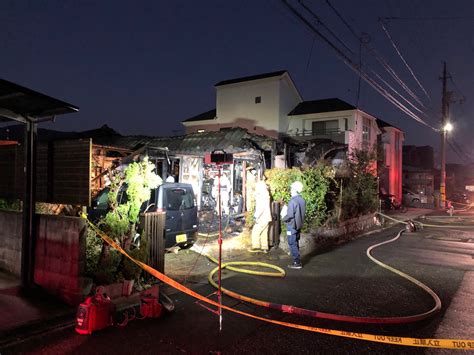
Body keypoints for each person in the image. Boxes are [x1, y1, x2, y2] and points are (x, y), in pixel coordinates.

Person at [281, 181, 306, 269]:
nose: (290, 190)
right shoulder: (302, 200)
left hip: (291, 226)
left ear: (295, 190)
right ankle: (297, 260)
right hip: (298, 225)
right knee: (296, 242)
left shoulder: (292, 201)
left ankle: (297, 262)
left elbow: (290, 215)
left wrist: (283, 218)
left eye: (291, 189)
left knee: (292, 243)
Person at [249, 177, 272, 253]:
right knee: (264, 232)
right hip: (267, 217)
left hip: (262, 218)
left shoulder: (261, 196)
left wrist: (255, 217)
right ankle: (265, 248)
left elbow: (260, 208)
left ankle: (256, 247)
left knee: (255, 231)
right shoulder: (266, 195)